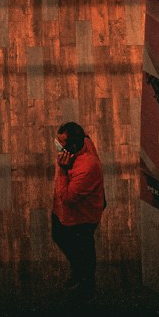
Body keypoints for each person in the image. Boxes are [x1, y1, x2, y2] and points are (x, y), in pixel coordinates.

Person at [51, 121, 106, 299]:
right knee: (60, 237)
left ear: (73, 147)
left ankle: (86, 282)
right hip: (67, 214)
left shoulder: (86, 168)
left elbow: (67, 198)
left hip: (81, 218)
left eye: (61, 144)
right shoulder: (84, 142)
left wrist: (62, 169)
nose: (57, 146)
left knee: (84, 248)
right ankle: (79, 271)